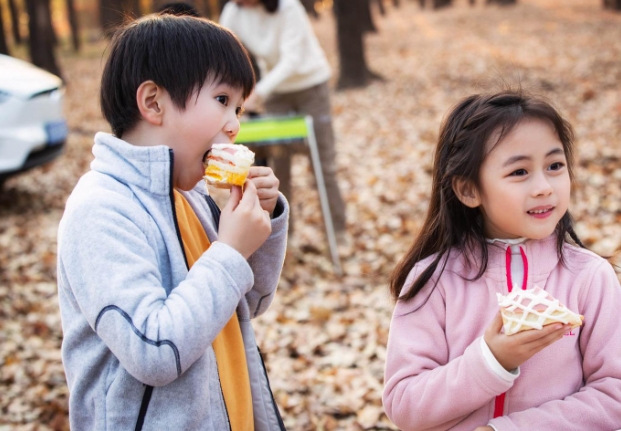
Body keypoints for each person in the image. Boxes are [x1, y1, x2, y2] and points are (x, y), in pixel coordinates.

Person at [57, 14, 289, 431]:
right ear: (153, 103)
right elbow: (154, 351)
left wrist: (265, 222)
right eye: (222, 99)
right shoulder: (99, 208)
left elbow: (247, 303)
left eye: (238, 106)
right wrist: (231, 250)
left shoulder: (193, 197)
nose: (235, 124)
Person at [383, 90, 621, 431]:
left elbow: (614, 395)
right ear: (468, 190)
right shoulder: (435, 281)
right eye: (519, 172)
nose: (543, 187)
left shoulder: (589, 277)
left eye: (555, 166)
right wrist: (490, 361)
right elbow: (404, 405)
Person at [219, 0, 347, 238]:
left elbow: (292, 60)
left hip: (310, 87)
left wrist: (256, 93)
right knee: (278, 167)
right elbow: (223, 52)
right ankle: (284, 233)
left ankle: (337, 231)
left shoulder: (289, 8)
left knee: (323, 162)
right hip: (276, 94)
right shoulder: (232, 12)